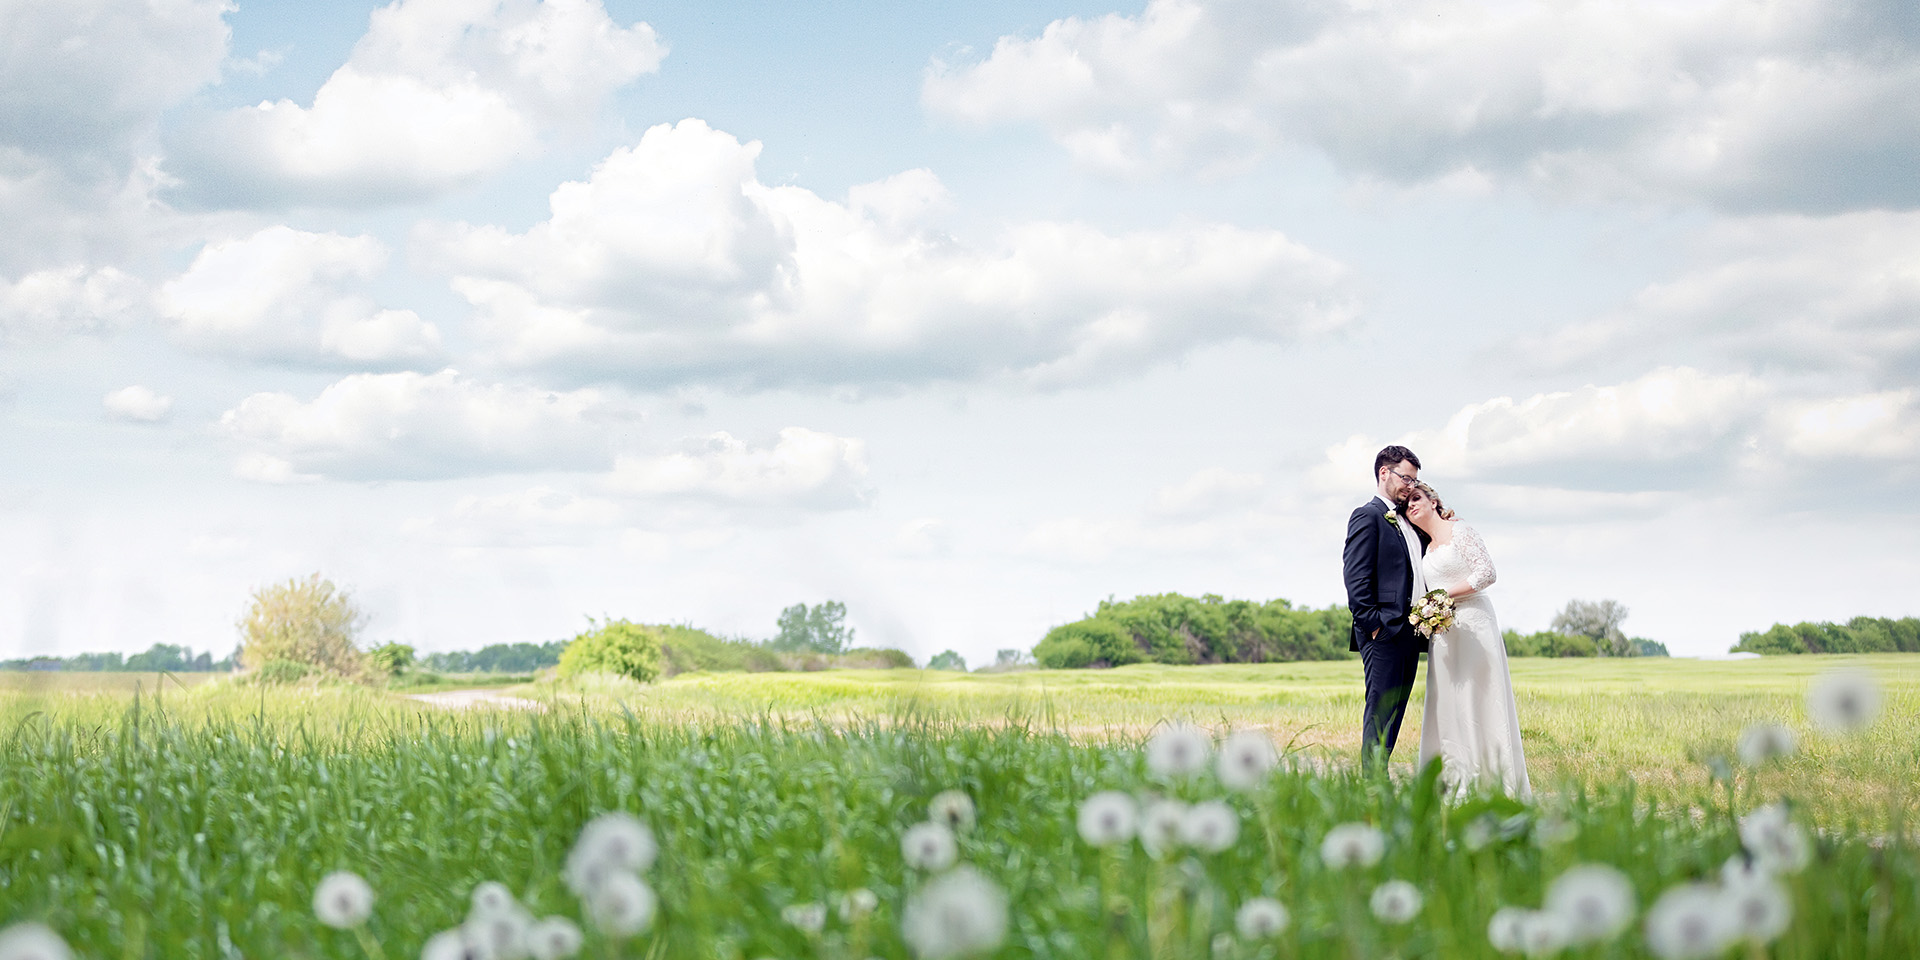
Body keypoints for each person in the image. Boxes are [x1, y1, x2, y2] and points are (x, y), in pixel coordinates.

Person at [1404, 481, 1531, 798]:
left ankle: (1494, 782)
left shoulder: (1460, 531)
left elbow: (1486, 572)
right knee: (1449, 705)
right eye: (1407, 504)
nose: (1412, 505)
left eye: (1417, 498)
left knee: (1480, 698)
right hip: (1444, 634)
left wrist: (1443, 595)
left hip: (1474, 623)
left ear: (1433, 501)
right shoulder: (1426, 548)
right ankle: (1457, 782)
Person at [1341, 445, 1428, 770]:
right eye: (1406, 478)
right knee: (1380, 711)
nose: (1410, 486)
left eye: (1414, 480)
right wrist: (1373, 625)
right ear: (1384, 473)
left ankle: (1379, 777)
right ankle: (1370, 785)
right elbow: (1356, 576)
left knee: (1396, 712)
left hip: (1410, 633)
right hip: (1383, 633)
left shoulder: (1406, 520)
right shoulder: (1368, 516)